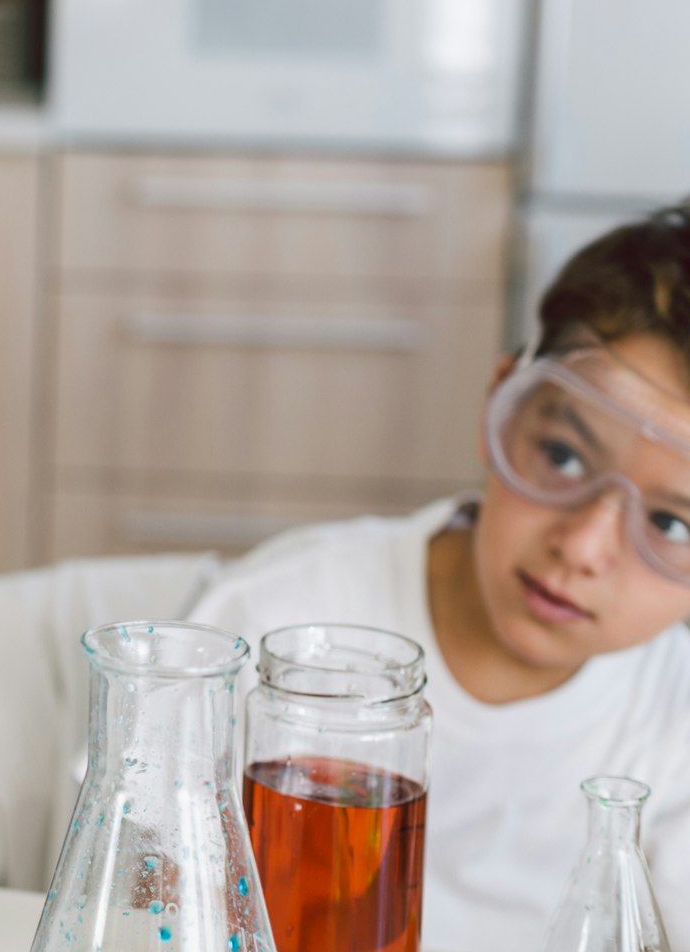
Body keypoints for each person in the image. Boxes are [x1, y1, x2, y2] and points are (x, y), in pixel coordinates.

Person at [189, 203, 690, 948]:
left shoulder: (674, 722)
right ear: (501, 402)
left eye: (671, 523)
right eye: (563, 455)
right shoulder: (275, 619)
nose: (583, 546)